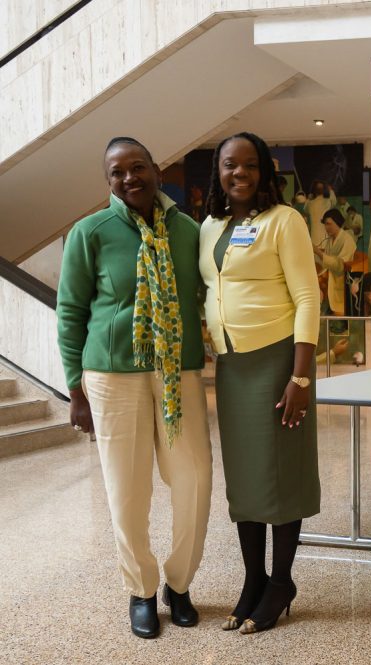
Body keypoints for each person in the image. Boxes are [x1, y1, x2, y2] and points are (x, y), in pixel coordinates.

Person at [57, 137, 213, 639]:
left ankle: (180, 584)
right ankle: (141, 590)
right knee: (127, 491)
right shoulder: (90, 232)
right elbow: (71, 313)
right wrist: (75, 392)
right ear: (108, 182)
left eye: (138, 167)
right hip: (111, 376)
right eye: (117, 173)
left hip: (179, 372)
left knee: (192, 480)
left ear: (156, 168)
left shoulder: (188, 231)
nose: (130, 179)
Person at [199, 131, 321, 634]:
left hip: (277, 363)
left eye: (249, 166)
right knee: (246, 479)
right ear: (219, 172)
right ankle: (253, 579)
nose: (239, 174)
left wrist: (301, 376)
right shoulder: (209, 225)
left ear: (265, 173)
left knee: (281, 474)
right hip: (231, 368)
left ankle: (281, 581)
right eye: (230, 165)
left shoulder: (284, 221)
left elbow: (308, 299)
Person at [313, 208, 357, 316]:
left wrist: (318, 252)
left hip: (341, 280)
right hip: (331, 278)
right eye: (325, 224)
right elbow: (325, 262)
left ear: (337, 223)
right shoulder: (330, 240)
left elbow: (340, 265)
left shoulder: (347, 240)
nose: (326, 227)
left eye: (329, 224)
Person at [305, 180, 333, 251]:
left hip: (314, 238)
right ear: (324, 190)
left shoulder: (310, 204)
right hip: (325, 238)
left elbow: (305, 209)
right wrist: (331, 190)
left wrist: (308, 198)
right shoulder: (328, 202)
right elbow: (334, 201)